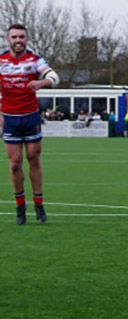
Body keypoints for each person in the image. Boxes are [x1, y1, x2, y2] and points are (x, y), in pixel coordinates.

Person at [1, 23, 60, 225]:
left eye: (22, 37)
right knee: (15, 163)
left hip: (30, 117)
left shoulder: (34, 60)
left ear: (27, 39)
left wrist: (42, 82)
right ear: (8, 39)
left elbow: (54, 77)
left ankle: (39, 203)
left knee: (33, 159)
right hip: (10, 118)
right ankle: (20, 205)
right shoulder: (1, 61)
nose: (18, 41)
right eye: (14, 37)